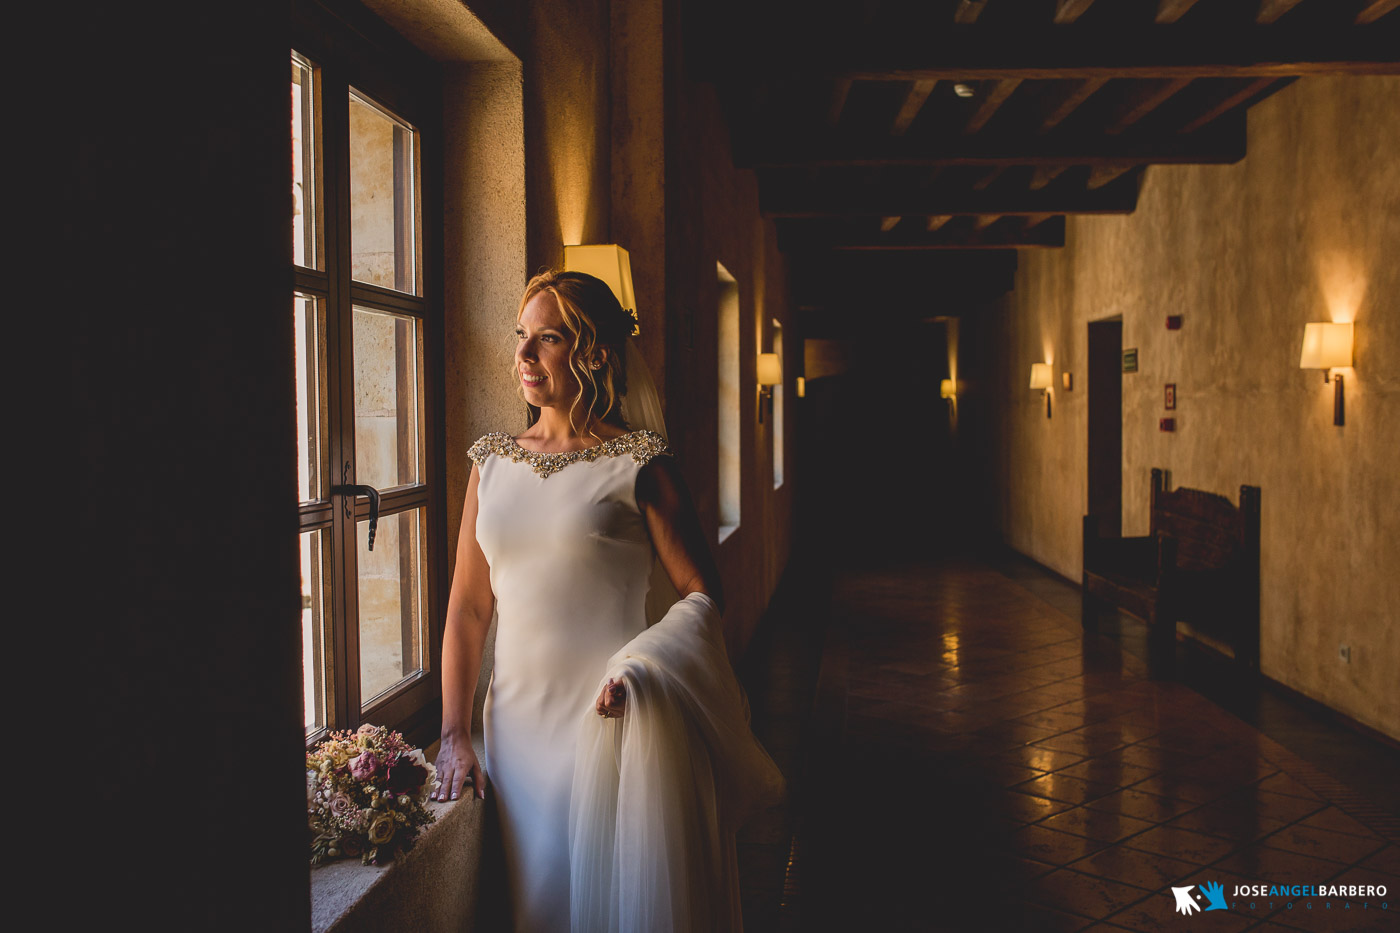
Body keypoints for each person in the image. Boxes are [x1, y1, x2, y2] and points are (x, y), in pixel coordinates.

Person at [433, 270, 782, 932]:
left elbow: (704, 593)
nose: (525, 355)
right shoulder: (490, 465)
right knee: (530, 910)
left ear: (594, 351)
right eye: (521, 337)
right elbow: (468, 612)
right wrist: (453, 734)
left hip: (610, 723)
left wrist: (643, 668)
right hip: (515, 737)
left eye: (548, 338)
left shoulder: (640, 463)